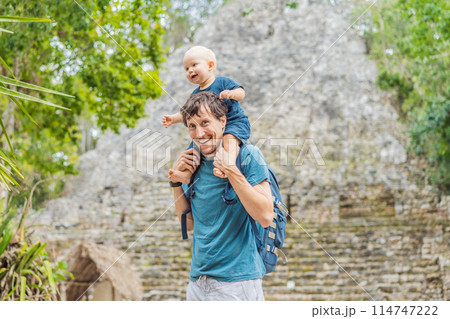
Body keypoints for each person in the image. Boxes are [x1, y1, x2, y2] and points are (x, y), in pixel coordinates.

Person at [169, 91, 273, 301]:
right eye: (192, 126)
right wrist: (176, 183)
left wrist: (231, 170)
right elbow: (189, 225)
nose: (199, 133)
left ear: (222, 121)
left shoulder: (248, 155)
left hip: (237, 282)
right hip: (198, 282)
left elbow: (265, 216)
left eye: (205, 122)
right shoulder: (194, 164)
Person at [163, 45, 250, 184]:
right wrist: (173, 119)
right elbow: (186, 113)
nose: (190, 70)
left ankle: (228, 165)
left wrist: (232, 94)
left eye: (194, 65)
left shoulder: (222, 82)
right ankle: (186, 174)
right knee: (192, 149)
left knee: (229, 141)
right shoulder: (195, 94)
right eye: (186, 69)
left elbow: (241, 92)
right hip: (208, 130)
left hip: (233, 122)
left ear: (210, 65)